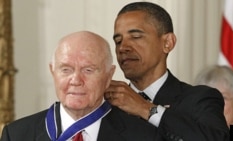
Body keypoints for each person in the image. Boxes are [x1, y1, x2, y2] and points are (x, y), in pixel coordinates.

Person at [0, 31, 159, 141]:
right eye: (66, 69)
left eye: (88, 70)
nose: (76, 80)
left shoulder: (143, 136)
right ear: (52, 71)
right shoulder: (16, 135)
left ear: (109, 75)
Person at [104, 2, 230, 141]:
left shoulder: (199, 99)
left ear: (167, 43)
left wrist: (145, 108)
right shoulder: (105, 106)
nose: (123, 48)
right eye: (118, 41)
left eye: (135, 37)